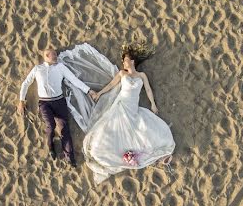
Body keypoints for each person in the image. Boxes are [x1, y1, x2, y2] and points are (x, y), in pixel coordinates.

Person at [82, 45, 175, 183]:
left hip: (133, 108)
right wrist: (100, 93)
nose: (124, 63)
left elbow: (148, 90)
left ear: (132, 61)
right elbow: (111, 85)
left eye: (126, 60)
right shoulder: (122, 74)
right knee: (114, 130)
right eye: (123, 60)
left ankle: (139, 154)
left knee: (142, 130)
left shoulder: (141, 75)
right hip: (121, 106)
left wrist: (153, 104)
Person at [18, 47, 98, 165]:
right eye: (54, 55)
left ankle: (70, 158)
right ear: (46, 56)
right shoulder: (37, 69)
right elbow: (26, 83)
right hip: (44, 103)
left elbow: (74, 80)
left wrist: (88, 91)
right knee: (51, 125)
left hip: (59, 101)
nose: (56, 57)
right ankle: (51, 147)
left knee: (65, 128)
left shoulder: (60, 67)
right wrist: (21, 101)